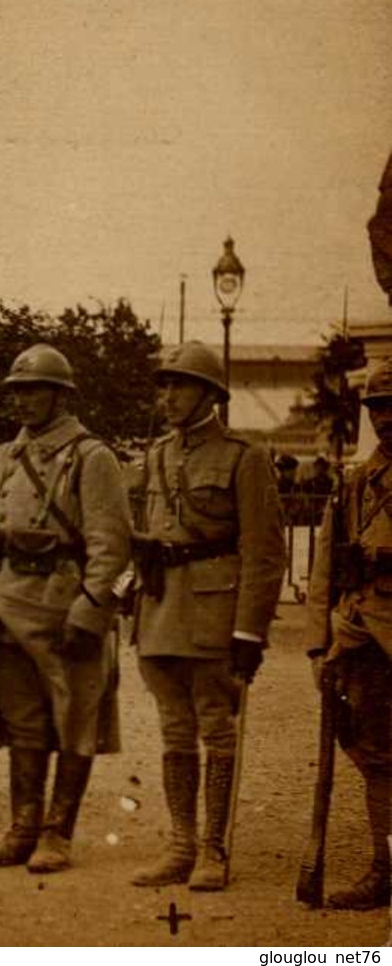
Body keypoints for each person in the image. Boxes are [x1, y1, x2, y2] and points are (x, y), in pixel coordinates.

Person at [0, 344, 130, 873]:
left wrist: (92, 608)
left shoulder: (90, 456)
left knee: (75, 719)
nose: (23, 401)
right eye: (17, 391)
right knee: (23, 722)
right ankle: (23, 827)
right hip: (6, 606)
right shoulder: (4, 458)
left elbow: (111, 545)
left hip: (64, 607)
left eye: (33, 391)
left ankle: (58, 832)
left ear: (60, 395)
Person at [130, 341, 285, 891]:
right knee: (174, 731)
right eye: (163, 385)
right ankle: (180, 844)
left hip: (216, 613)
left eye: (180, 385)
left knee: (216, 729)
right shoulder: (156, 456)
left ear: (210, 395)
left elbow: (264, 551)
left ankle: (213, 850)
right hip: (160, 610)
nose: (167, 396)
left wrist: (250, 630)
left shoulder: (244, 457)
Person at [302, 359, 392, 910]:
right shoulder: (356, 483)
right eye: (378, 409)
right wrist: (319, 643)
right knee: (378, 756)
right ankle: (386, 869)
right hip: (364, 640)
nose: (386, 419)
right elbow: (323, 571)